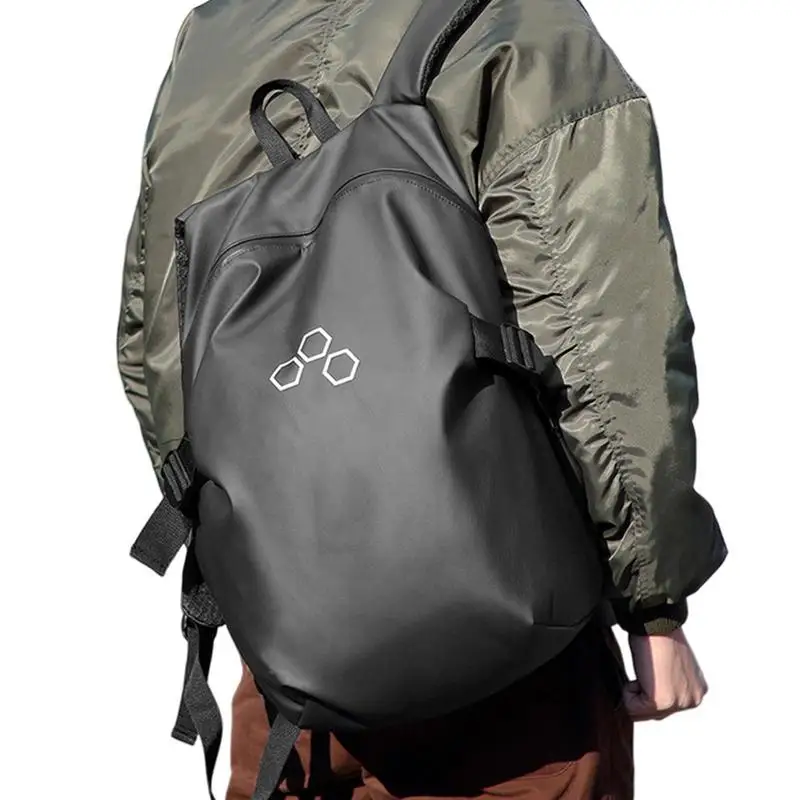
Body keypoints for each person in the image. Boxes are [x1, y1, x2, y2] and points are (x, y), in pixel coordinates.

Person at [118, 1, 727, 798]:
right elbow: (602, 328)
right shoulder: (515, 23)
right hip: (512, 657)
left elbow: (159, 342)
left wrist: (259, 569)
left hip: (296, 676)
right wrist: (652, 599)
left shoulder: (218, 34)